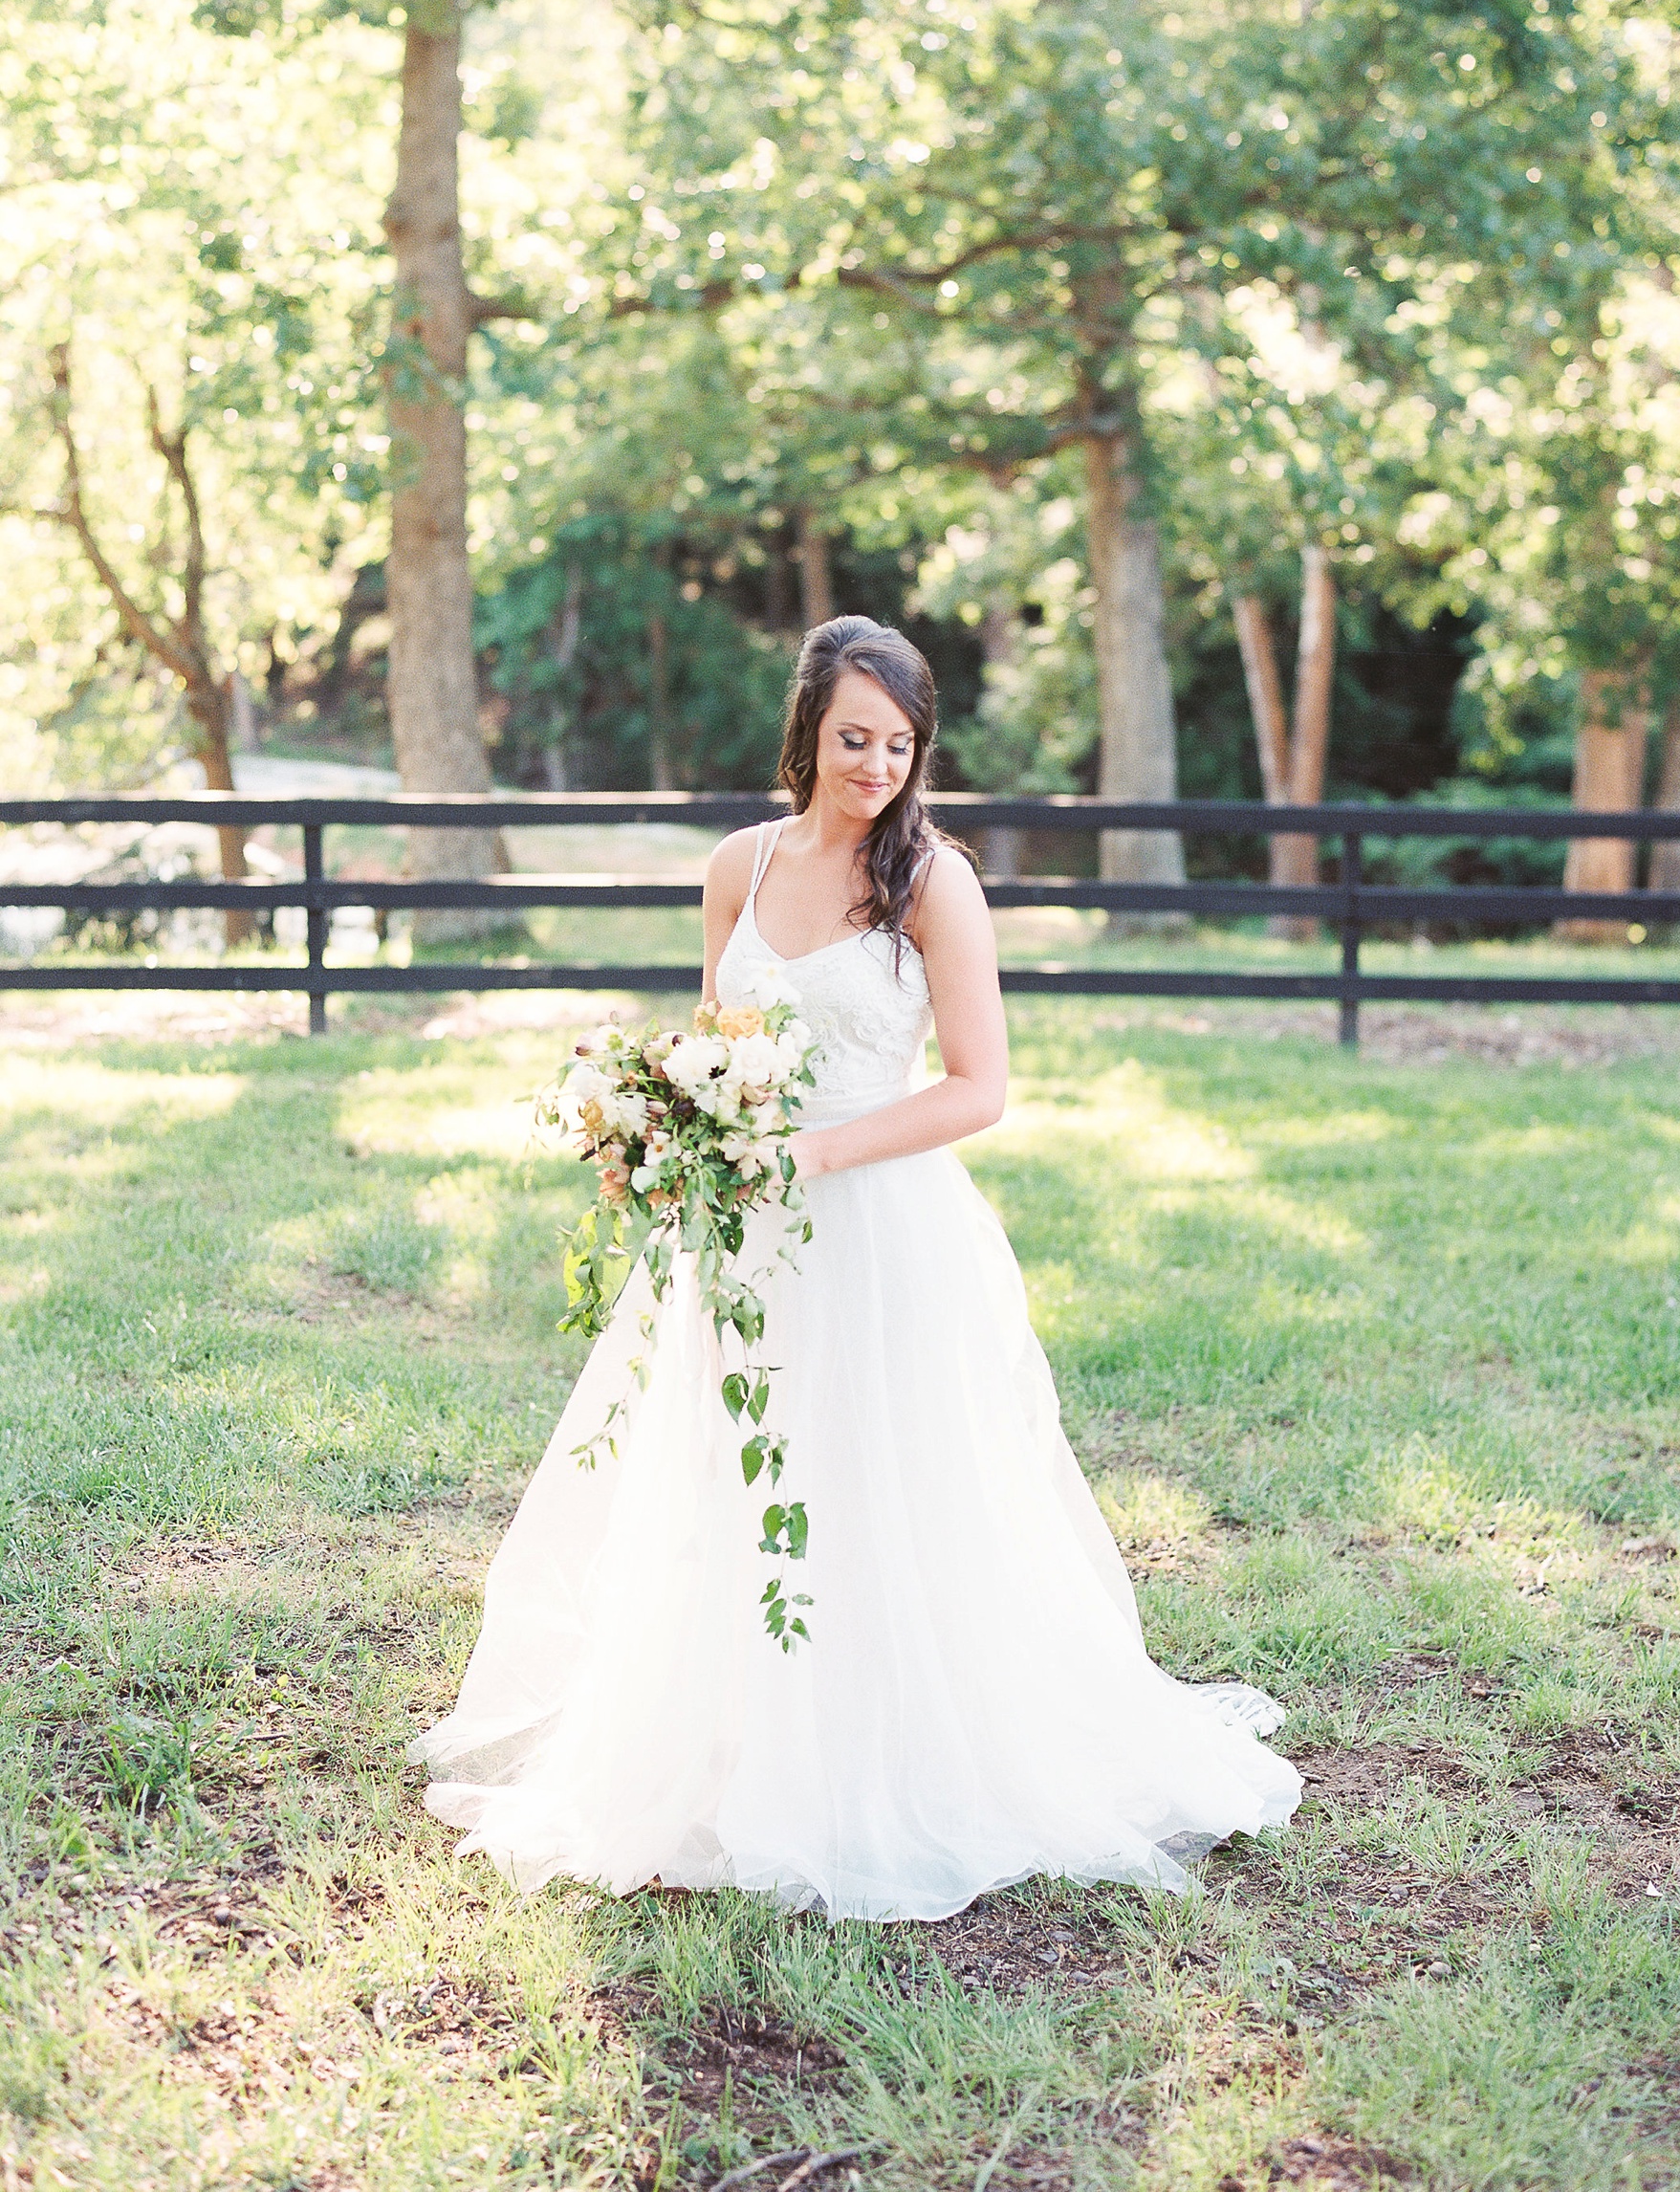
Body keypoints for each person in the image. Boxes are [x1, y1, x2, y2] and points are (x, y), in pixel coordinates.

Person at [410, 616, 1300, 1920]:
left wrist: (816, 1157)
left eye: (899, 741)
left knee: (888, 1478)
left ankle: (895, 1752)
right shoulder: (738, 865)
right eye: (853, 737)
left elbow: (980, 1088)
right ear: (807, 732)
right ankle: (721, 1752)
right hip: (742, 1232)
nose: (877, 762)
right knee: (731, 1471)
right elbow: (716, 1041)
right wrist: (665, 1125)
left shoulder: (935, 883)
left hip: (884, 1226)